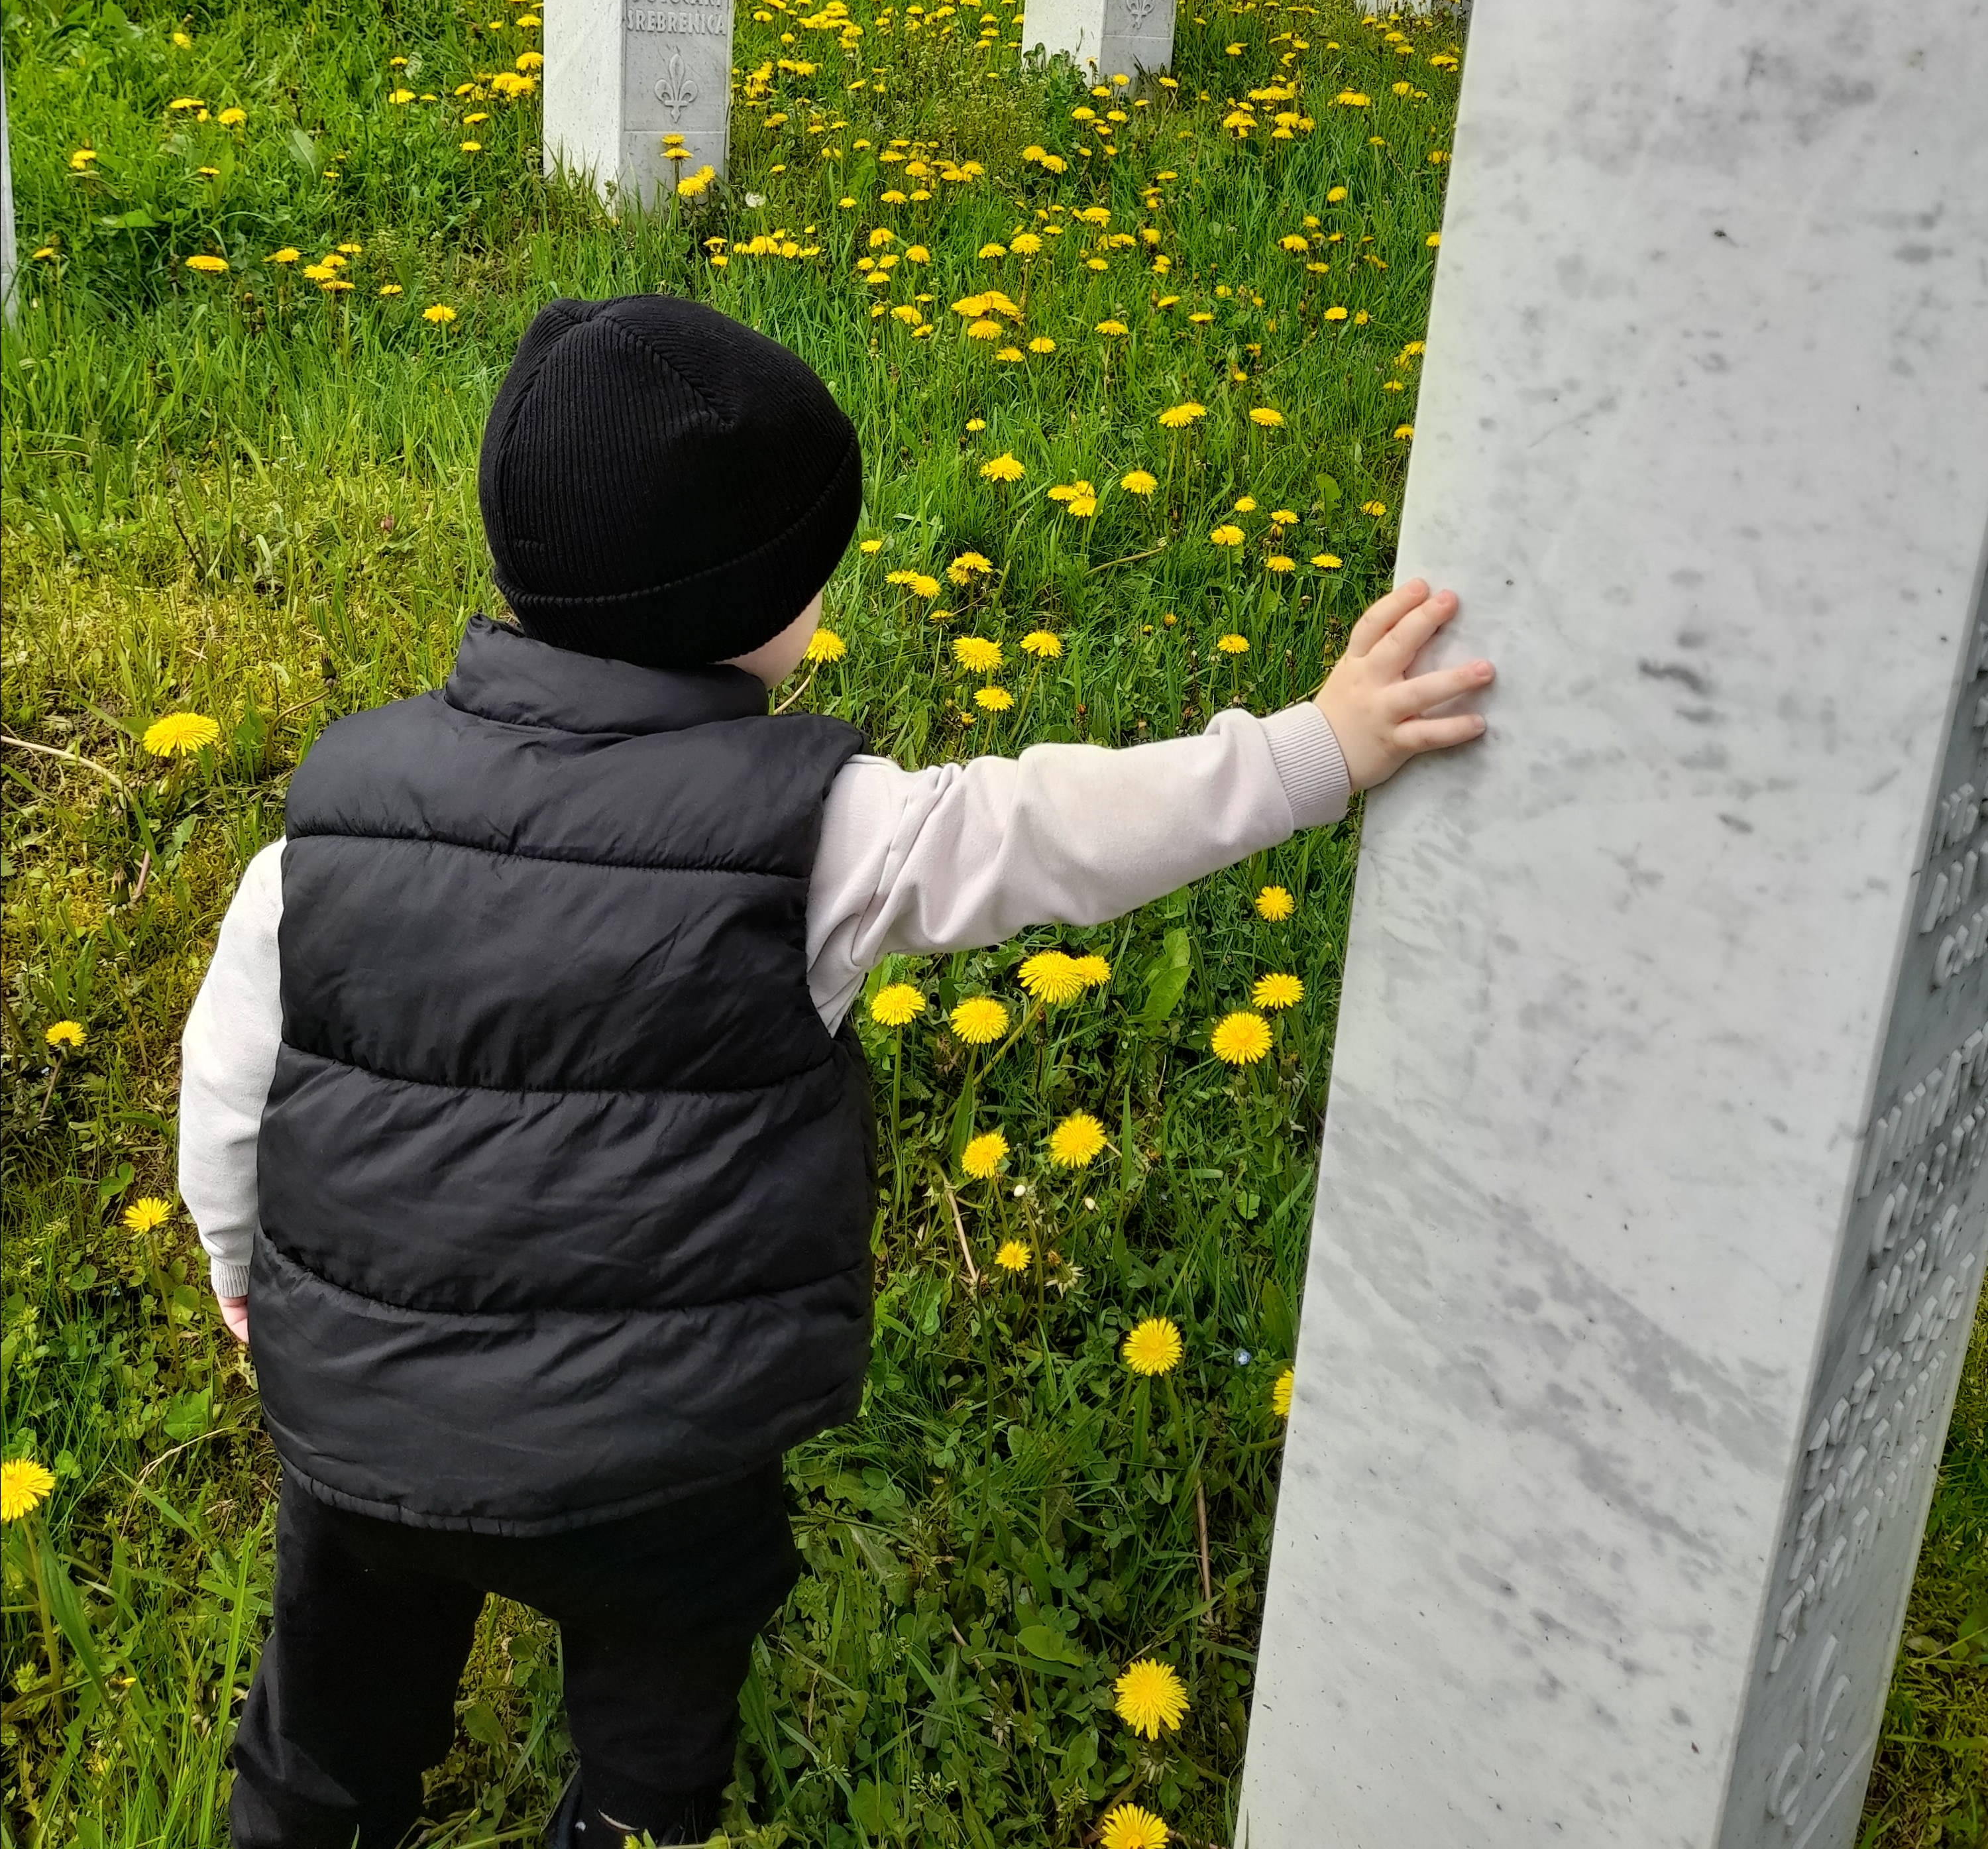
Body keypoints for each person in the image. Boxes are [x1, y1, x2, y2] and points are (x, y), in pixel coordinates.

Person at [180, 296, 1494, 1849]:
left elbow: (228, 1078)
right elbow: (1051, 830)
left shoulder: (331, 812)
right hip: (653, 1449)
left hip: (363, 1422)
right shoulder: (815, 828)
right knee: (663, 1684)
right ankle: (628, 1820)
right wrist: (1314, 746)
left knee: (330, 1700)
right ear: (764, 606)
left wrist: (233, 1261)